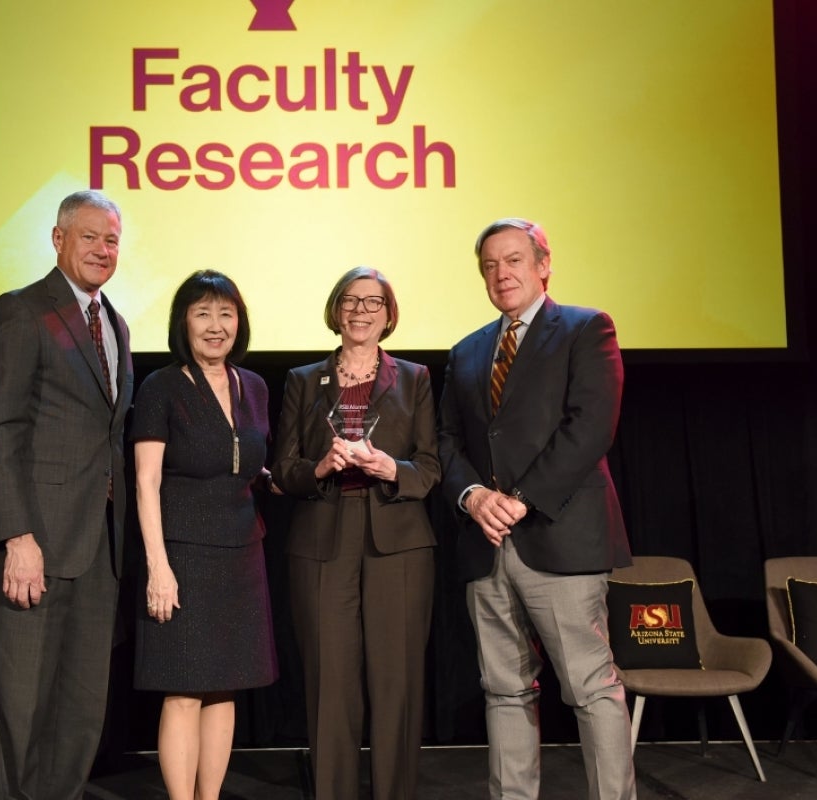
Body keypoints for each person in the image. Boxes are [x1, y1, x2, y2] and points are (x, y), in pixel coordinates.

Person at [438, 218, 636, 799]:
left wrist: (521, 502)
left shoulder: (585, 328)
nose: (502, 274)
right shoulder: (468, 350)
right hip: (486, 545)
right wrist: (474, 497)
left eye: (514, 260)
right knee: (504, 691)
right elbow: (447, 440)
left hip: (561, 539)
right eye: (490, 265)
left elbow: (591, 426)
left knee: (591, 689)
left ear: (543, 265)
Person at [0, 189, 132, 800]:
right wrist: (17, 536)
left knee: (80, 711)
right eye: (89, 236)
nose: (102, 249)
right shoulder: (22, 311)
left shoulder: (114, 322)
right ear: (58, 239)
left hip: (97, 552)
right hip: (34, 544)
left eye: (111, 240)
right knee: (22, 710)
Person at [272, 266, 441, 800]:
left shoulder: (415, 379)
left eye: (373, 302)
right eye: (350, 300)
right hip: (322, 539)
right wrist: (320, 467)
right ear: (335, 310)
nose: (361, 311)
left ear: (389, 314)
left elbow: (431, 467)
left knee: (397, 683)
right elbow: (283, 469)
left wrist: (389, 467)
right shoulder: (302, 380)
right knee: (330, 683)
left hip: (398, 540)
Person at [131, 270, 278, 800]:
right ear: (183, 323)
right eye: (203, 314)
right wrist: (158, 566)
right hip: (183, 555)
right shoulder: (162, 387)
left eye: (226, 314)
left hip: (243, 552)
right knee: (185, 689)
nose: (216, 326)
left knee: (224, 687)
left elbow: (249, 465)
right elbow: (146, 481)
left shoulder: (254, 387)